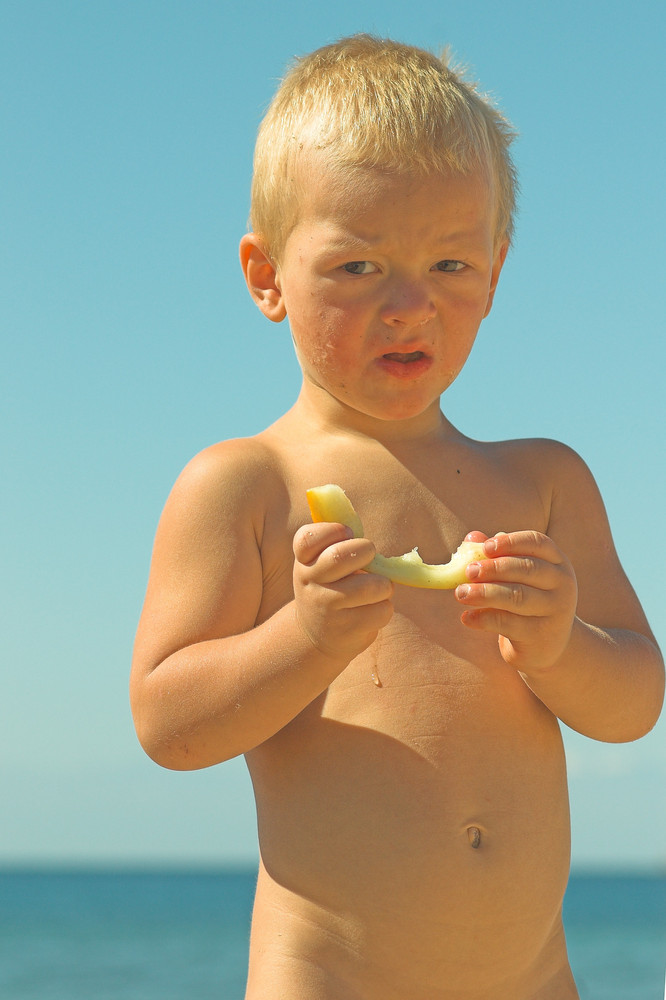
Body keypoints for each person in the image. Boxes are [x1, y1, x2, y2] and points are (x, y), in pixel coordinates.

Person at [130, 35, 664, 999]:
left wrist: (560, 645)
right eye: (360, 267)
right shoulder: (245, 484)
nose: (410, 305)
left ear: (496, 272)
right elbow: (168, 724)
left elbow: (635, 703)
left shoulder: (544, 482)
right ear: (266, 278)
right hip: (328, 978)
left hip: (533, 980)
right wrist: (306, 635)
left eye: (450, 262)